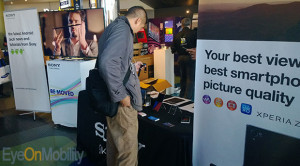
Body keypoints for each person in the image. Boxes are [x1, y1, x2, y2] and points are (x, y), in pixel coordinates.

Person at [97, 6, 147, 166]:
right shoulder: (124, 31)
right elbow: (107, 63)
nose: (139, 30)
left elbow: (113, 60)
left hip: (111, 99)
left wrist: (131, 66)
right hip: (121, 104)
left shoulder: (114, 26)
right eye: (141, 27)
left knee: (115, 147)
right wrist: (122, 96)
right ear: (138, 20)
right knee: (127, 153)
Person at [171, 18, 197, 100]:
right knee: (190, 78)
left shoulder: (177, 35)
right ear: (190, 24)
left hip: (180, 58)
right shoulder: (194, 33)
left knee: (183, 77)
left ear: (182, 25)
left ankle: (182, 96)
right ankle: (188, 98)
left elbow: (173, 50)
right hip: (191, 58)